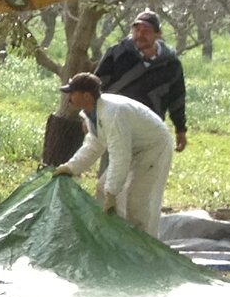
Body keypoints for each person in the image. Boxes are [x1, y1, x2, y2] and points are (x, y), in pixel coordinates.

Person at [57, 69, 178, 236]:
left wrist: (112, 193)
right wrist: (71, 167)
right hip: (133, 147)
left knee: (138, 201)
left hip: (153, 147)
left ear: (86, 96)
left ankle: (145, 250)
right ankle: (112, 237)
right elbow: (95, 144)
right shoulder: (91, 113)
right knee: (102, 188)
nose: (68, 97)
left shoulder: (112, 114)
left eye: (72, 93)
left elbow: (120, 156)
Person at [95, 7, 188, 153]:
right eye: (136, 30)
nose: (140, 35)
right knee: (113, 171)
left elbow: (177, 99)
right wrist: (91, 116)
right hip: (116, 123)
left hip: (149, 128)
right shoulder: (117, 53)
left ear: (158, 34)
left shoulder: (171, 64)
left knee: (144, 173)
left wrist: (180, 129)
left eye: (146, 31)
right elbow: (97, 85)